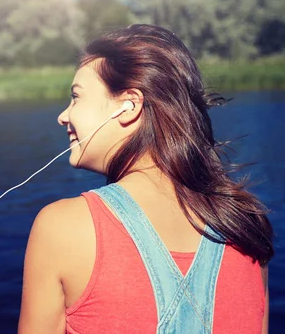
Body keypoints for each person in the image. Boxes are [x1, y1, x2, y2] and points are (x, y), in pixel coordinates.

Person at [18, 24, 273, 334]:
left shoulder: (61, 226)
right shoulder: (247, 222)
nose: (63, 115)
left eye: (76, 97)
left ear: (129, 106)